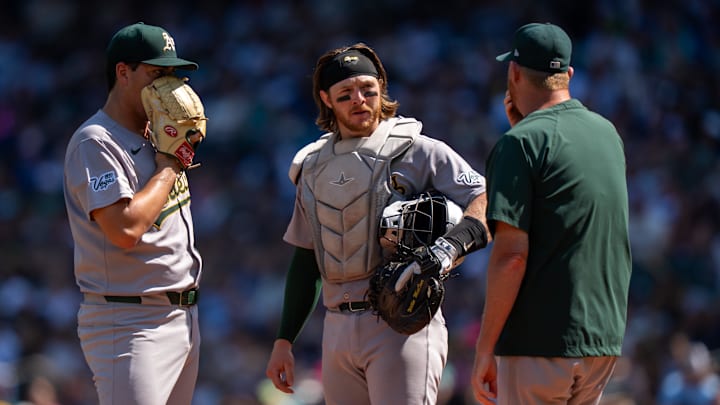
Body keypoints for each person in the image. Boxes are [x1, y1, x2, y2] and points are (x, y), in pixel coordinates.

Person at [265, 42, 490, 404]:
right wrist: (284, 340)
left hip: (402, 322)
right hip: (337, 326)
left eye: (368, 90)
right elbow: (307, 259)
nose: (359, 99)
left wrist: (449, 247)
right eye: (345, 94)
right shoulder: (311, 166)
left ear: (381, 89)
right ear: (326, 98)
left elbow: (484, 198)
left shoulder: (417, 148)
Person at [470, 22, 632, 405]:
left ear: (513, 72)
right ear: (568, 75)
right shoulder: (607, 133)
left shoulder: (519, 144)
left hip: (538, 343)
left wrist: (484, 348)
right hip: (601, 340)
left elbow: (511, 255)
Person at [63, 22, 203, 405]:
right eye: (157, 74)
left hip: (182, 317)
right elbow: (124, 229)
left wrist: (170, 155)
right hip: (128, 322)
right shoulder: (96, 141)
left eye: (173, 74)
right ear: (123, 73)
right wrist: (172, 164)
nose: (169, 86)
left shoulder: (158, 137)